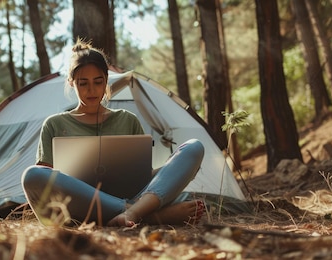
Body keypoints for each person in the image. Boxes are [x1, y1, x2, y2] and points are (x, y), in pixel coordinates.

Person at [21, 39, 205, 227]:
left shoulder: (127, 120)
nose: (91, 90)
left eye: (98, 82)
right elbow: (48, 181)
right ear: (71, 83)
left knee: (193, 147)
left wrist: (170, 170)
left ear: (106, 81)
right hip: (77, 206)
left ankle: (132, 211)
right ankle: (143, 213)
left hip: (130, 193)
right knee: (32, 175)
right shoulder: (54, 124)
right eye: (83, 83)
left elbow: (140, 177)